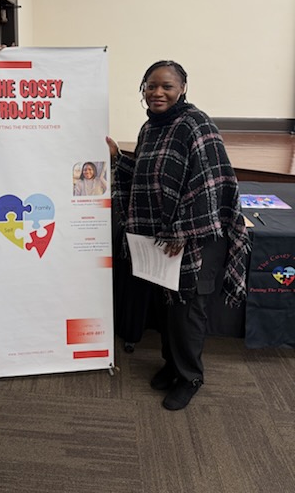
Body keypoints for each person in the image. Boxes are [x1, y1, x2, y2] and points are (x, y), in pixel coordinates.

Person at [107, 60, 249, 410]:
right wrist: (117, 159)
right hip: (163, 239)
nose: (157, 93)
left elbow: (212, 185)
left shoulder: (196, 125)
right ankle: (172, 366)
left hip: (197, 239)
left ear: (182, 89)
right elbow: (145, 177)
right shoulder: (150, 128)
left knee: (186, 313)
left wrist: (183, 230)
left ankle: (190, 377)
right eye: (151, 86)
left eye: (167, 86)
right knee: (166, 308)